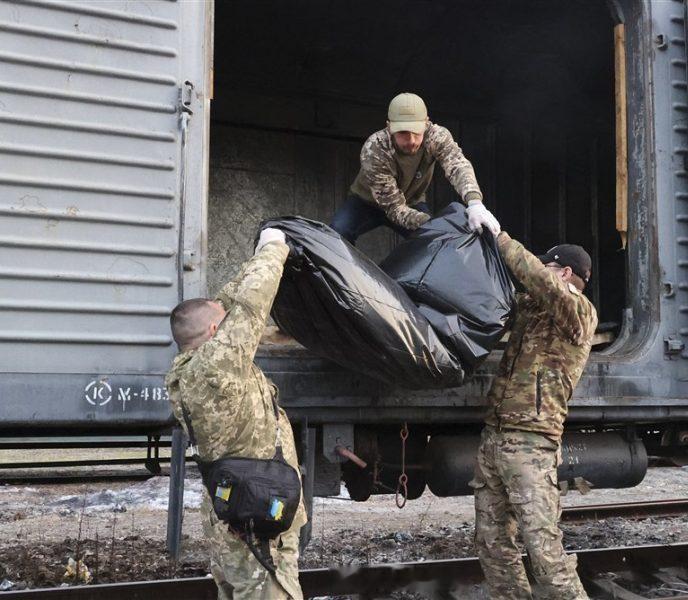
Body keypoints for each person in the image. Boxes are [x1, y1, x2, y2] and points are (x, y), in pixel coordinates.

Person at [165, 227, 305, 600]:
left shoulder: (189, 370)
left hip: (235, 514)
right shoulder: (217, 366)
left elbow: (227, 304)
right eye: (222, 324)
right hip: (257, 516)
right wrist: (274, 249)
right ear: (215, 332)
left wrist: (254, 254)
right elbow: (250, 304)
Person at [472, 236, 598, 599]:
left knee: (543, 551)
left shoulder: (580, 312)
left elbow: (543, 282)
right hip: (495, 437)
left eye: (550, 266)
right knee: (492, 543)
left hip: (531, 442)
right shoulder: (532, 309)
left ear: (566, 272)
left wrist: (500, 238)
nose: (542, 271)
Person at [330, 92, 500, 244]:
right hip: (367, 203)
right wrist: (435, 224)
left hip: (412, 202)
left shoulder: (436, 136)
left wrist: (475, 203)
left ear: (426, 123)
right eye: (403, 132)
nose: (411, 140)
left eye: (416, 132)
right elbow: (394, 209)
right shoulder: (375, 148)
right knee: (338, 232)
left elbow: (457, 165)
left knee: (433, 241)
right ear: (389, 127)